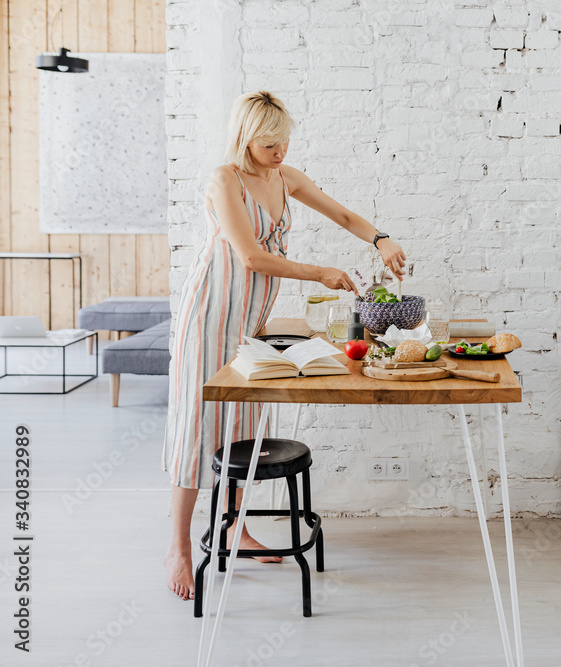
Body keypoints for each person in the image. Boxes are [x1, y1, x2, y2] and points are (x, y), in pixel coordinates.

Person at [162, 91, 407, 601]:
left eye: (285, 140)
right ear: (245, 138)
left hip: (250, 318)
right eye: (270, 143)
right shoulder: (224, 180)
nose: (280, 150)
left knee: (245, 424)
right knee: (196, 424)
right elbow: (251, 257)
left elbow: (341, 215)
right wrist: (320, 273)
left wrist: (380, 239)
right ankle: (179, 546)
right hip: (209, 316)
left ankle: (234, 525)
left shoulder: (285, 177)